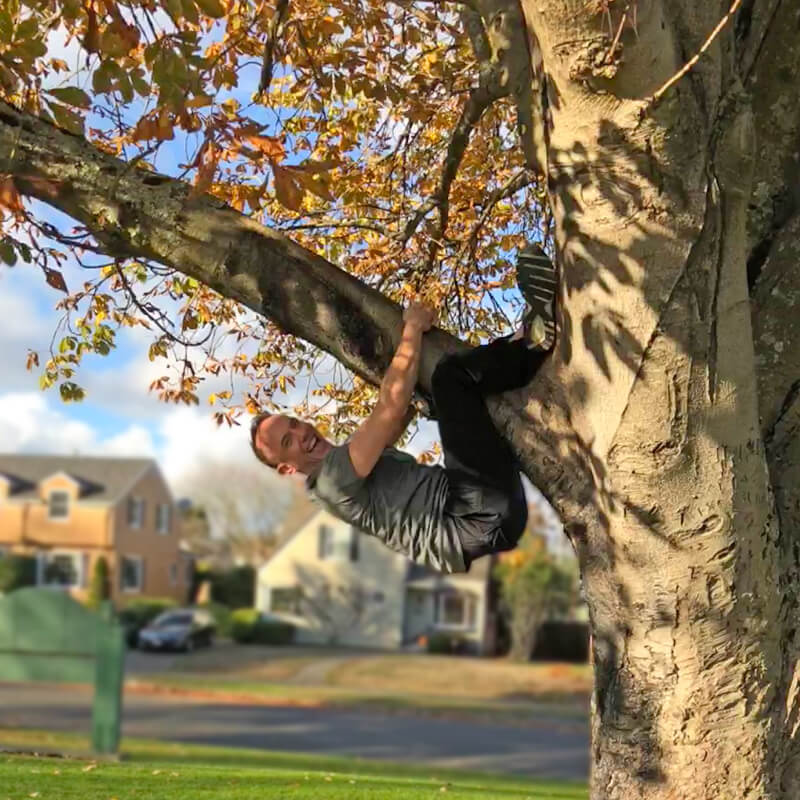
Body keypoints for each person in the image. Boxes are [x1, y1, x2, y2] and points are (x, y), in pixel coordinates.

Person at [250, 244, 557, 573]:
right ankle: (532, 344)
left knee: (446, 396)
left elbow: (394, 422)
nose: (301, 433)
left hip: (481, 511)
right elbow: (391, 406)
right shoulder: (332, 481)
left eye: (294, 424)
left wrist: (420, 401)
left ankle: (523, 339)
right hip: (473, 517)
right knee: (450, 378)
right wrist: (411, 328)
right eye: (287, 442)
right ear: (286, 468)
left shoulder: (347, 468)